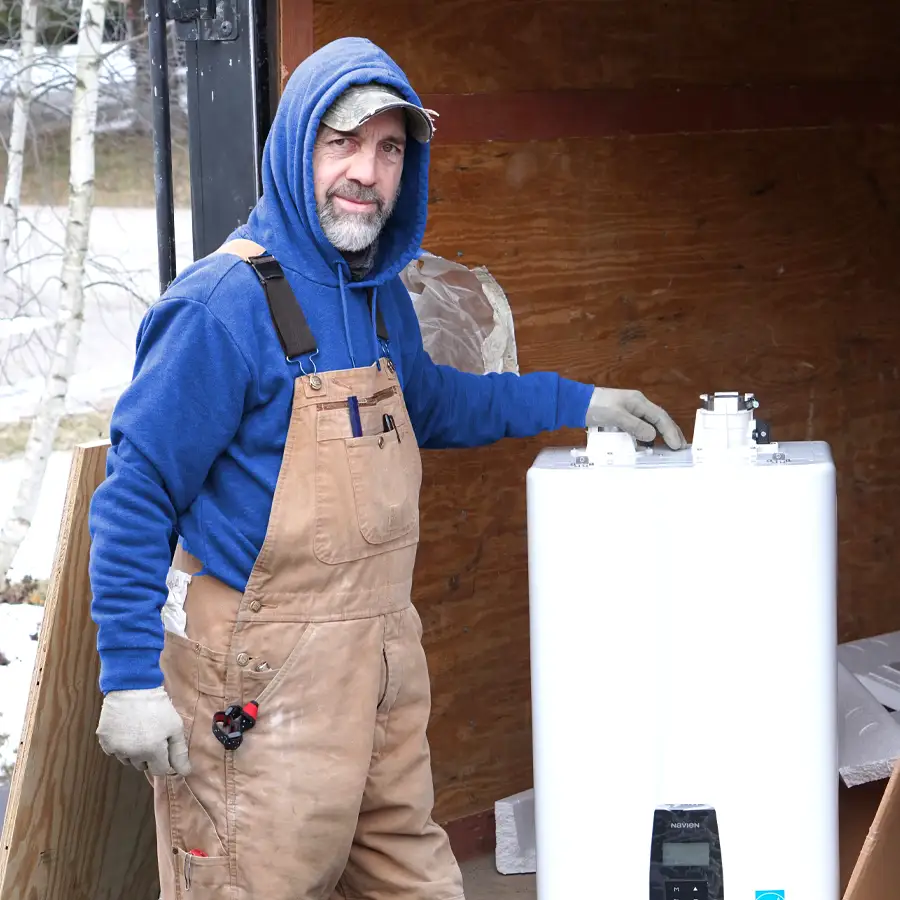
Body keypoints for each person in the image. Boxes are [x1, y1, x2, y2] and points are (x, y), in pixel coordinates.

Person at [88, 36, 686, 900]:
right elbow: (135, 497)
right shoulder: (220, 308)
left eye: (390, 148)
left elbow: (432, 404)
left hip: (377, 675)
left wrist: (576, 402)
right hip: (256, 695)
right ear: (297, 145)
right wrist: (130, 679)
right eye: (343, 141)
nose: (366, 171)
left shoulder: (375, 293)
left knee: (421, 883)